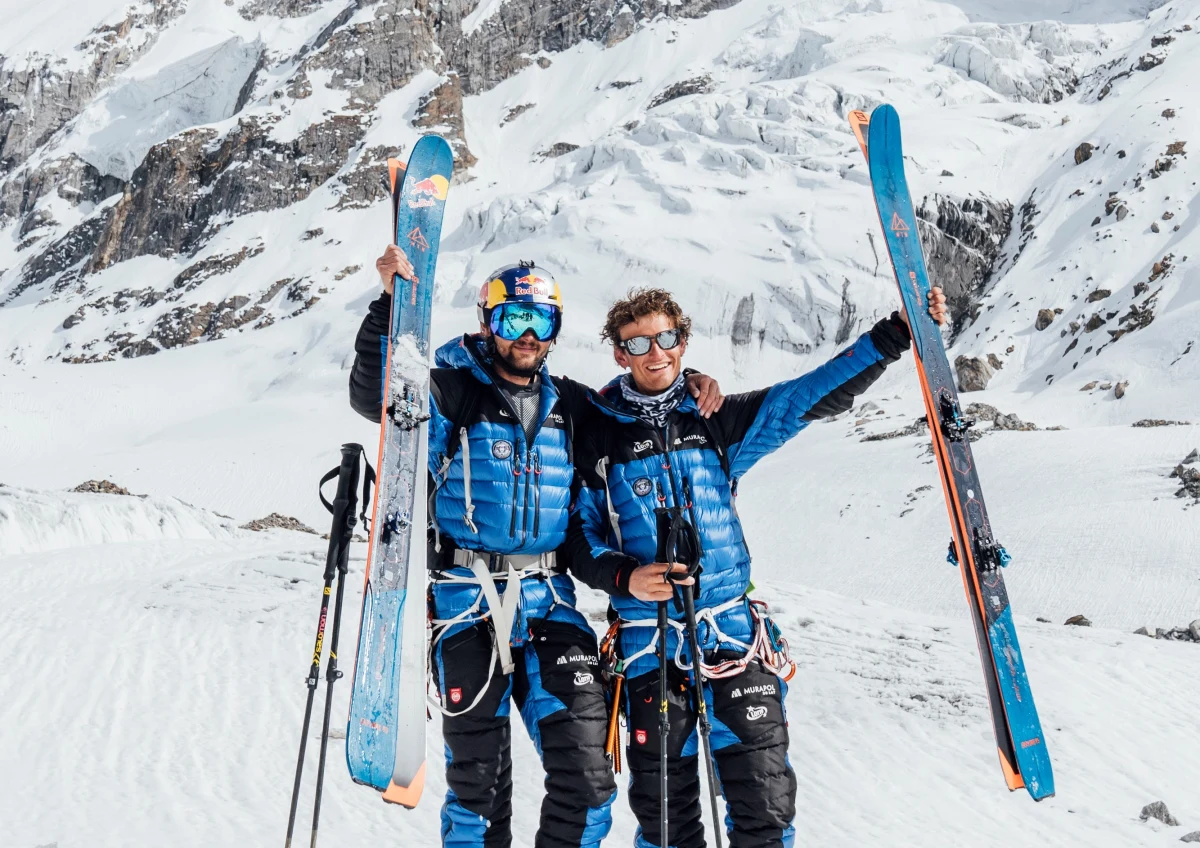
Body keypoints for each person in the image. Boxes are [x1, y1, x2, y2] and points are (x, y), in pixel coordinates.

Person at [347, 247, 724, 848]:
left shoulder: (571, 405)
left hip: (550, 606)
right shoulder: (451, 393)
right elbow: (377, 400)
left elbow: (639, 402)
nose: (527, 336)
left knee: (590, 785)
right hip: (467, 606)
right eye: (512, 320)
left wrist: (694, 385)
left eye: (540, 323)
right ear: (486, 322)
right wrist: (391, 304)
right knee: (478, 792)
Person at [566, 286, 948, 848]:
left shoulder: (716, 421)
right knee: (666, 821)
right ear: (620, 354)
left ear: (683, 341)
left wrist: (894, 336)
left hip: (733, 636)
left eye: (667, 338)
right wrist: (625, 577)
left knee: (765, 806)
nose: (656, 353)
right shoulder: (595, 435)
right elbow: (579, 539)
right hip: (650, 647)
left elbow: (806, 398)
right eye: (639, 342)